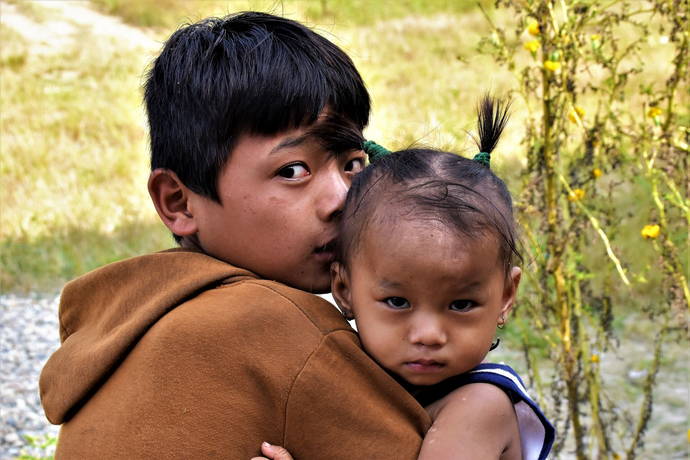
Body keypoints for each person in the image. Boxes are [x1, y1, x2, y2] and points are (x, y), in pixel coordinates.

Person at [38, 12, 431, 458]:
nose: (341, 198)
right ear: (178, 202)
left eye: (353, 163)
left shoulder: (132, 320)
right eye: (292, 171)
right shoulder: (276, 324)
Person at [255, 96, 555, 460]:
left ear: (506, 296)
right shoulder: (356, 371)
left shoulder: (479, 406)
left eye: (461, 305)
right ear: (344, 289)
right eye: (398, 302)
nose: (428, 335)